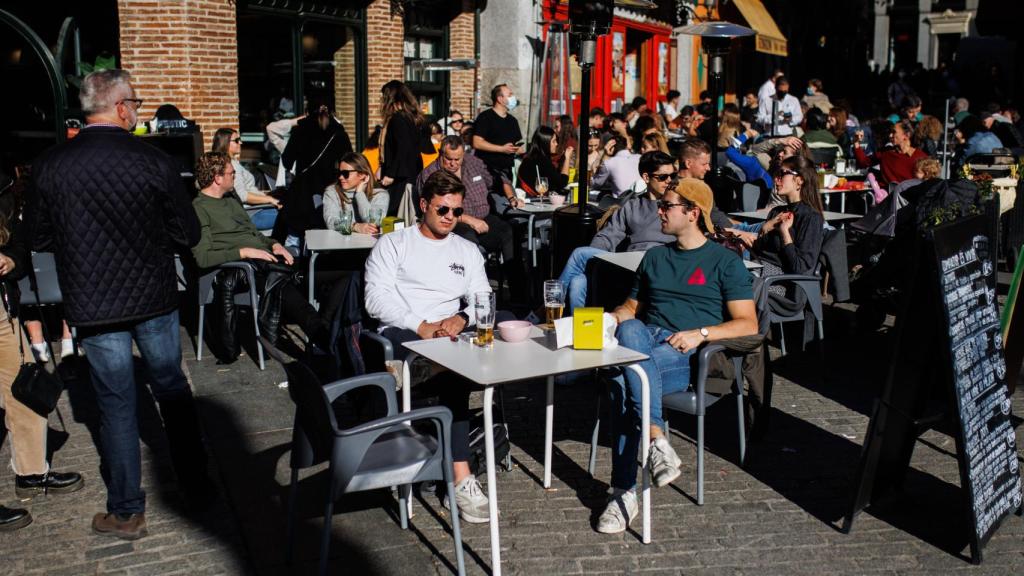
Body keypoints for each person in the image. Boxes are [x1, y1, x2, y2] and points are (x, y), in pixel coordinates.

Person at [28, 69, 209, 540]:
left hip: (92, 300)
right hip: (151, 296)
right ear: (122, 106)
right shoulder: (152, 161)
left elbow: (40, 236)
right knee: (171, 389)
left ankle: (127, 511)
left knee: (115, 404)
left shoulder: (51, 164)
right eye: (138, 104)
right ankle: (199, 489)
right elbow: (187, 232)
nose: (139, 111)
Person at [596, 178, 758, 534]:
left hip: (686, 353)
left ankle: (623, 492)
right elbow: (631, 309)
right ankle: (656, 440)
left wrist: (701, 333)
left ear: (693, 213)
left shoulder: (724, 261)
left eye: (667, 206)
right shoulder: (654, 256)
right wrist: (607, 319)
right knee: (631, 335)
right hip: (646, 342)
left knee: (625, 383)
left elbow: (747, 324)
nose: (659, 212)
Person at [364, 169, 495, 524]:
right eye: (442, 210)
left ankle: (435, 370)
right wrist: (421, 326)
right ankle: (462, 476)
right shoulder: (394, 243)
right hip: (403, 335)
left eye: (455, 210)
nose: (450, 217)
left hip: (449, 337)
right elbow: (375, 300)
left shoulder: (467, 250)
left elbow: (483, 298)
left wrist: (462, 319)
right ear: (423, 205)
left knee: (460, 356)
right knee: (453, 367)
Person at [0, 171, 83, 532]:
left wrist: (10, 260)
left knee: (24, 391)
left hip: (3, 312)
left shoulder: (4, 194)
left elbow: (19, 242)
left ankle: (32, 473)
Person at [191, 152, 330, 354]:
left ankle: (332, 335)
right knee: (287, 286)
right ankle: (326, 338)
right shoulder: (199, 208)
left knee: (327, 272)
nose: (234, 176)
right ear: (217, 178)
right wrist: (245, 252)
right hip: (246, 269)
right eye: (231, 173)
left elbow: (254, 234)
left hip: (268, 261)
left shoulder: (230, 200)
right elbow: (203, 257)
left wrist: (274, 244)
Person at [558, 151, 677, 313]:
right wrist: (594, 264)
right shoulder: (632, 206)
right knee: (578, 281)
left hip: (658, 261)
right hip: (629, 264)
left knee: (579, 254)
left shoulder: (675, 206)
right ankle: (579, 333)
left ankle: (548, 305)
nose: (669, 181)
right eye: (663, 177)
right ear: (646, 177)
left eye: (672, 175)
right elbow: (607, 237)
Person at [416, 136, 523, 299]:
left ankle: (518, 295)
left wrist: (511, 197)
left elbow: (500, 178)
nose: (452, 163)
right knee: (468, 242)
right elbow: (433, 211)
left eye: (457, 159)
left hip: (483, 216)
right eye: (448, 159)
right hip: (453, 221)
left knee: (508, 232)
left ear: (463, 155)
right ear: (440, 154)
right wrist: (470, 220)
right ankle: (475, 297)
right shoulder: (430, 174)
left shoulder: (474, 163)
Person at [279, 103, 354, 243]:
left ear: (308, 111)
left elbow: (287, 160)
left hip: (302, 192)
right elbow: (349, 161)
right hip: (328, 190)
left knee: (295, 238)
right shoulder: (338, 132)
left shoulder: (301, 129)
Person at [750, 154, 825, 291]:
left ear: (799, 180)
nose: (776, 179)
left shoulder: (810, 217)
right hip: (761, 270)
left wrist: (785, 233)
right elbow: (759, 252)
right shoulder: (776, 212)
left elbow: (799, 267)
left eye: (782, 174)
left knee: (737, 287)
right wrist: (766, 228)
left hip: (783, 282)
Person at [211, 128, 281, 230]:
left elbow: (245, 189)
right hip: (251, 214)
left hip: (253, 211)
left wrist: (266, 194)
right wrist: (270, 199)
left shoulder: (228, 163)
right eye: (236, 140)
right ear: (225, 143)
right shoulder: (231, 166)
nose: (241, 142)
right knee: (291, 215)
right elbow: (242, 195)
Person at [379, 80, 427, 215]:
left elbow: (402, 148)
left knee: (395, 215)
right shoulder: (413, 118)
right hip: (412, 173)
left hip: (401, 177)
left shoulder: (397, 119)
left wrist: (391, 174)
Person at [473, 84, 524, 198]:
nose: (513, 97)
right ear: (500, 99)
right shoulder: (485, 117)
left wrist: (517, 149)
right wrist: (501, 149)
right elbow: (477, 142)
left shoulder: (513, 121)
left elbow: (515, 144)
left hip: (506, 172)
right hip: (487, 170)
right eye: (510, 95)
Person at [323, 152, 389, 235]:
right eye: (339, 173)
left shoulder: (380, 194)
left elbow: (374, 222)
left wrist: (359, 194)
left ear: (362, 174)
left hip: (369, 245)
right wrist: (355, 226)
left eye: (345, 174)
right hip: (340, 245)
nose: (340, 177)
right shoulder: (332, 192)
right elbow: (331, 222)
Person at [853, 118, 928, 185]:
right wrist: (856, 142)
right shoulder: (886, 152)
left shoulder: (921, 157)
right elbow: (863, 162)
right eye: (891, 132)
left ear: (906, 135)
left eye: (894, 132)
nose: (890, 135)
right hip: (888, 197)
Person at [517, 126, 570, 196]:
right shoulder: (542, 161)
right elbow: (562, 182)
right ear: (545, 142)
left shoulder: (530, 157)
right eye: (553, 141)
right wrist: (567, 158)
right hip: (533, 201)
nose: (556, 144)